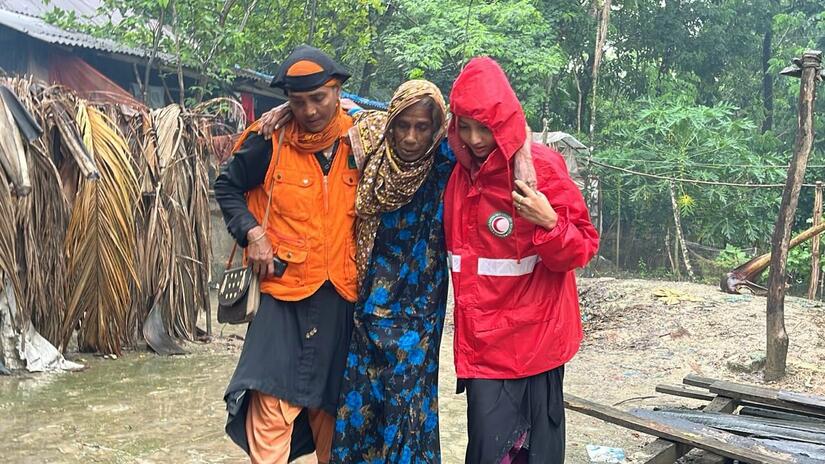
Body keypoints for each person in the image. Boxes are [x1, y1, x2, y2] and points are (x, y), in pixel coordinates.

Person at [443, 57, 599, 463]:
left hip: (536, 344)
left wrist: (549, 222)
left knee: (536, 456)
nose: (475, 139)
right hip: (483, 349)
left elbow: (582, 247)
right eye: (465, 126)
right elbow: (397, 135)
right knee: (486, 452)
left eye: (485, 126)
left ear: (506, 121)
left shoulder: (541, 170)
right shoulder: (455, 173)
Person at [214, 44, 358, 464]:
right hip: (283, 293)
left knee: (332, 409)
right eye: (297, 102)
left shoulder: (362, 138)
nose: (310, 110)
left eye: (319, 98)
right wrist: (252, 233)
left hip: (339, 293)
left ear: (337, 92)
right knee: (270, 405)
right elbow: (227, 187)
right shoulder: (268, 140)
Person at [330, 80, 450, 463]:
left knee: (407, 413)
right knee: (364, 407)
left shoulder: (445, 164)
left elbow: (497, 129)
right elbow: (338, 109)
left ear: (436, 128)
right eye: (403, 125)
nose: (411, 137)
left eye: (423, 127)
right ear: (391, 124)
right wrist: (282, 109)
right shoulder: (372, 153)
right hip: (369, 308)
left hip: (419, 317)